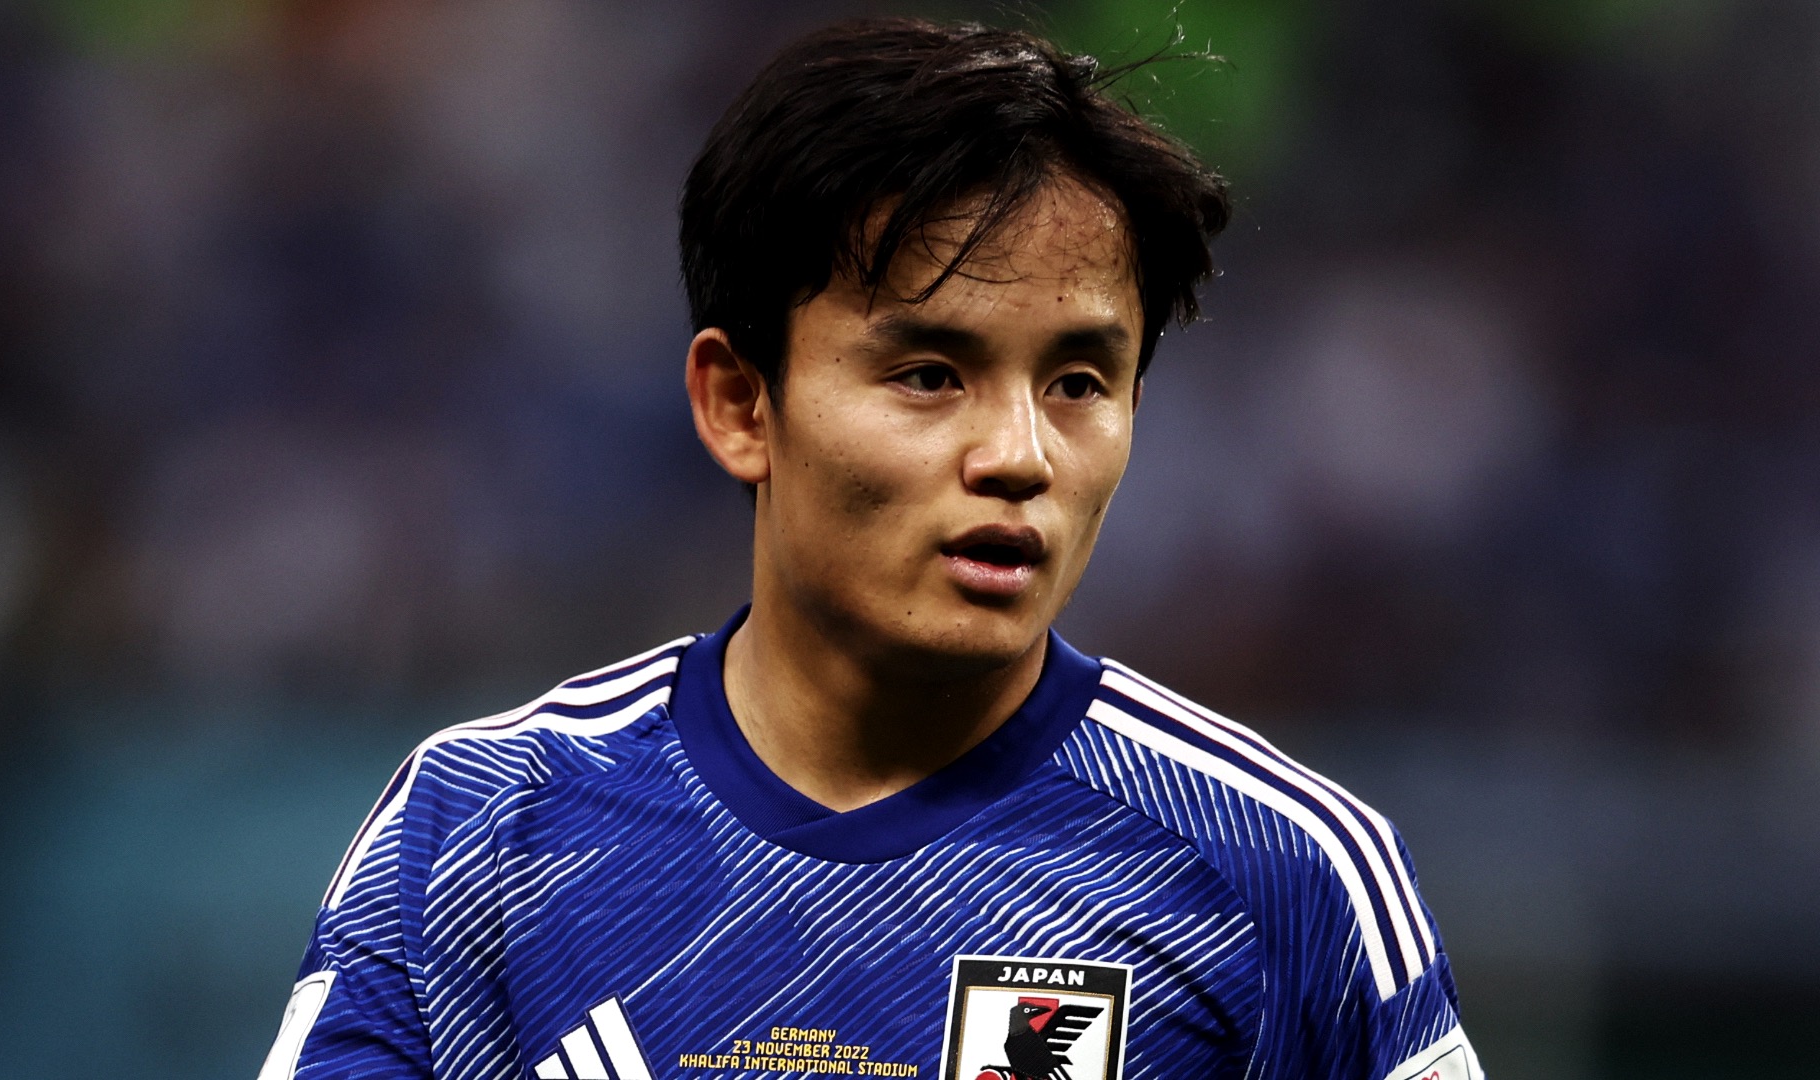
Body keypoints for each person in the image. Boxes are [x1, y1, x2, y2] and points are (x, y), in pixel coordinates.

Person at [258, 17, 1482, 1080]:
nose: (1020, 455)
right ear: (741, 404)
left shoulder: (1282, 876)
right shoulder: (481, 832)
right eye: (930, 374)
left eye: (1077, 382)